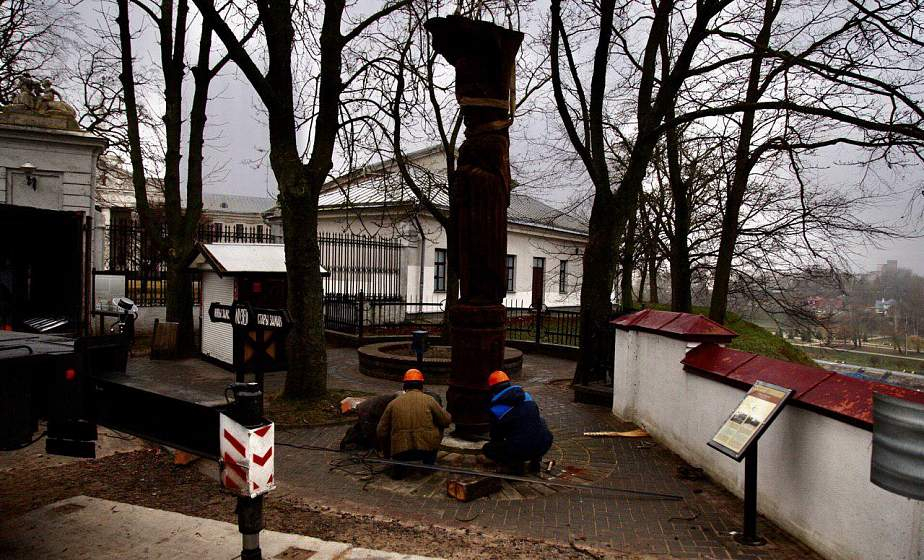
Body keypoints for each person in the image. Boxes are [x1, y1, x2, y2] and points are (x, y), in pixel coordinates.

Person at [376, 369, 452, 478]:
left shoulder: (393, 403)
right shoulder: (429, 400)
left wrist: (386, 452)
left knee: (388, 430)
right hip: (426, 451)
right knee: (440, 424)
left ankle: (399, 469)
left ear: (404, 386)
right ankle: (429, 464)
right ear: (421, 386)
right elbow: (446, 421)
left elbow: (381, 431)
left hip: (401, 452)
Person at [482, 370, 553, 474]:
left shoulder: (496, 409)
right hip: (543, 444)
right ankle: (535, 461)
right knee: (540, 422)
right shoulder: (527, 397)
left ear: (492, 390)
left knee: (489, 448)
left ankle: (514, 466)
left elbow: (496, 437)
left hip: (520, 450)